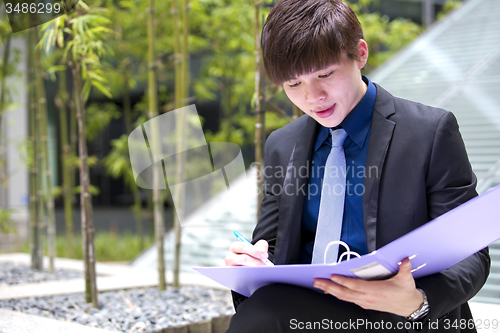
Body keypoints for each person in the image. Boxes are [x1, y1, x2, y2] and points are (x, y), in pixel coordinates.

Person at [224, 0, 491, 332]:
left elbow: (471, 254)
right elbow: (274, 246)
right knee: (260, 312)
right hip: (311, 311)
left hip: (401, 313)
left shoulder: (429, 133)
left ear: (360, 54)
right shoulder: (283, 145)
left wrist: (418, 300)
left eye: (325, 74)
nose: (313, 96)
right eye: (294, 85)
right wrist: (251, 264)